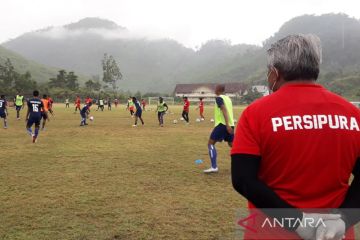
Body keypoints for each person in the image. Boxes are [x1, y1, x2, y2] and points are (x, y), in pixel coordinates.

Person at [231, 35, 360, 240]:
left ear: (274, 73)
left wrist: (296, 221)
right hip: (334, 234)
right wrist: (343, 218)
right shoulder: (352, 114)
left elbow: (243, 179)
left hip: (270, 232)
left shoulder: (256, 113)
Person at [203, 85, 234, 173]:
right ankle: (242, 165)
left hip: (222, 124)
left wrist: (227, 125)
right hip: (231, 125)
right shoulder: (228, 99)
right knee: (233, 145)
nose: (214, 90)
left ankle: (214, 167)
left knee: (210, 144)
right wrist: (229, 125)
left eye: (215, 88)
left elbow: (224, 110)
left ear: (218, 90)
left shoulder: (219, 98)